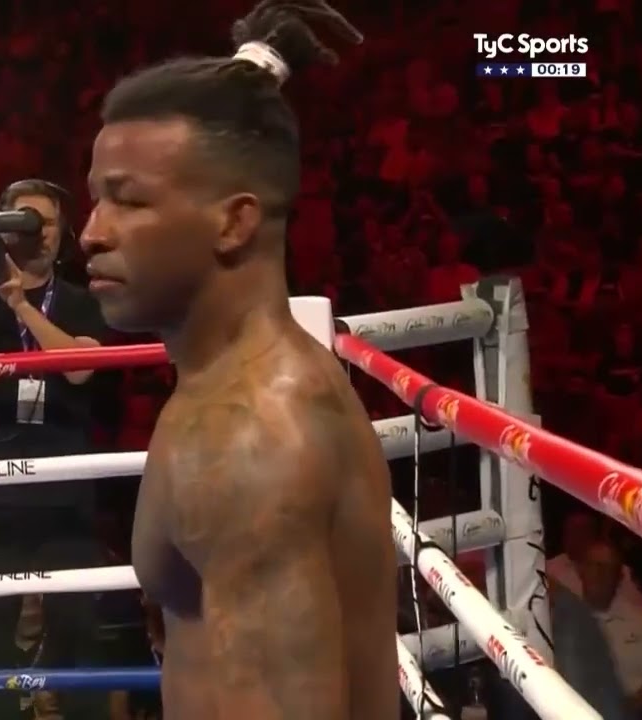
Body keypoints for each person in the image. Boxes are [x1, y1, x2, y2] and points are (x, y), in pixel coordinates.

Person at [80, 2, 396, 718]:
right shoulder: (238, 387)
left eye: (127, 201)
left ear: (234, 221)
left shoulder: (249, 436)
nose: (92, 233)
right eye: (97, 198)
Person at [0, 178, 109, 719]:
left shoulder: (80, 302)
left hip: (64, 493)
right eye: (22, 222)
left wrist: (20, 303)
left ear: (64, 233)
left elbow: (80, 369)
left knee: (77, 631)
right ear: (1, 232)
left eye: (46, 222)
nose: (35, 234)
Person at [579, 540, 642, 715]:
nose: (599, 574)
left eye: (608, 568)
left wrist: (621, 710)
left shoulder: (639, 621)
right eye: (594, 565)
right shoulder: (564, 618)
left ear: (619, 578)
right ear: (581, 571)